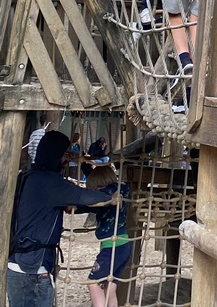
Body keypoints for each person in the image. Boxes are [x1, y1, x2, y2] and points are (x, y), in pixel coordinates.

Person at [8, 131, 121, 307]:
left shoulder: (27, 177)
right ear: (54, 154)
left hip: (16, 264)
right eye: (64, 154)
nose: (66, 160)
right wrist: (110, 197)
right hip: (34, 268)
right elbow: (84, 197)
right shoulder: (49, 182)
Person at [85, 165, 132, 307]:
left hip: (113, 246)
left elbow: (95, 197)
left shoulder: (113, 193)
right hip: (123, 245)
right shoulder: (118, 192)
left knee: (93, 283)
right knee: (110, 287)